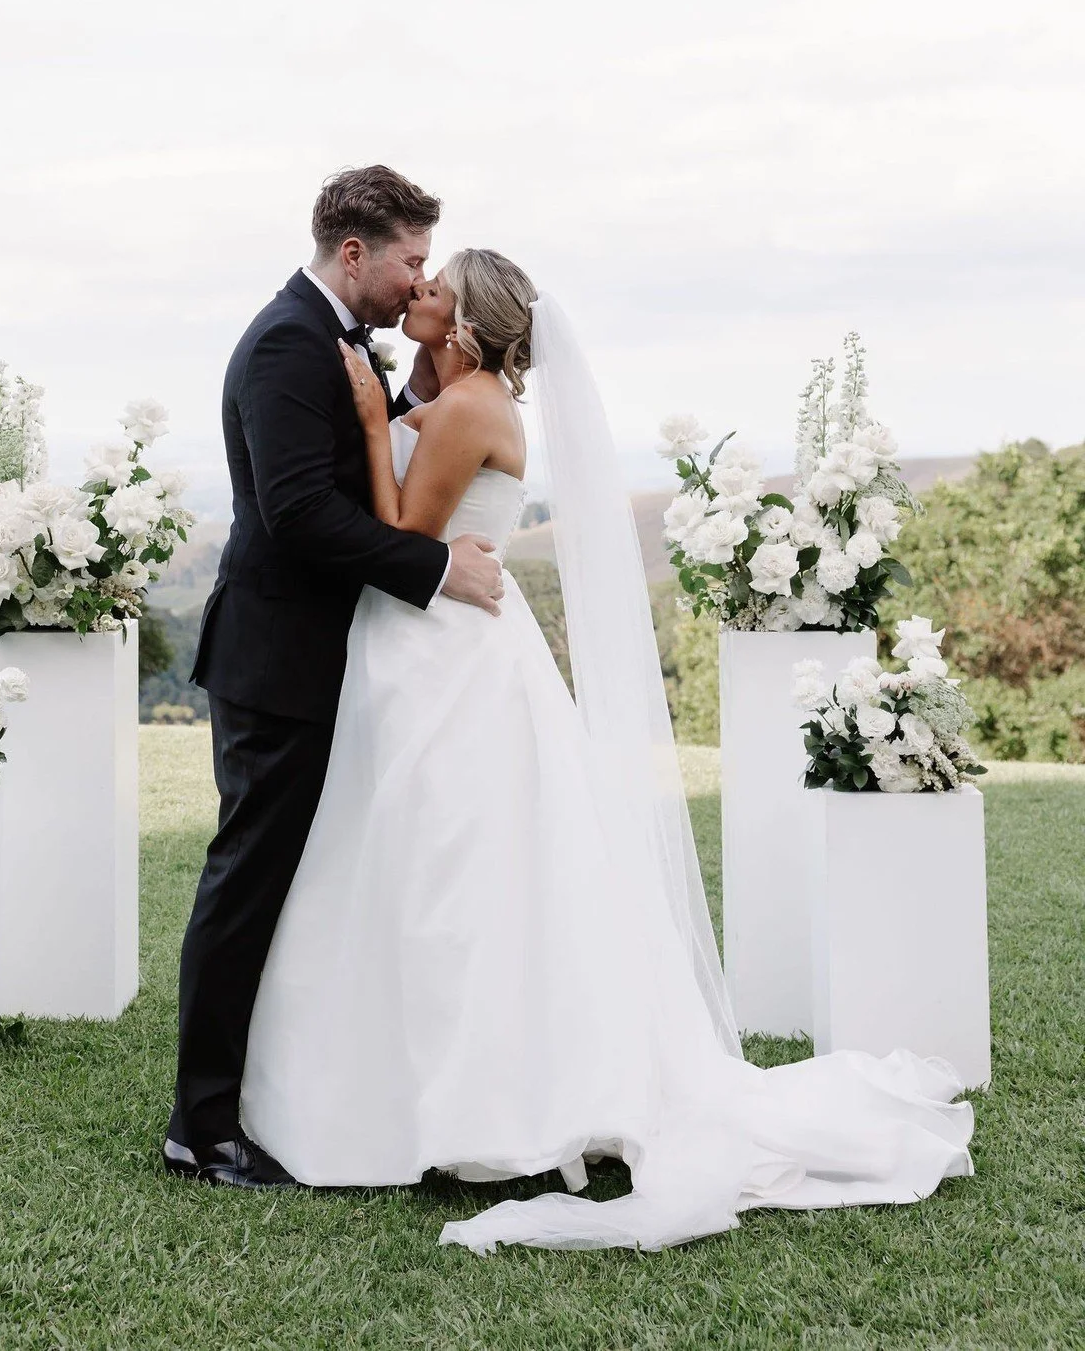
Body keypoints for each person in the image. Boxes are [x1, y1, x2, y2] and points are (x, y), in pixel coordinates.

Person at [238, 248, 975, 1252]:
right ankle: (402, 1085)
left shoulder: (473, 408)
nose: (418, 291)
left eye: (435, 287)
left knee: (455, 877)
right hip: (417, 652)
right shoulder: (460, 392)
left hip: (447, 660)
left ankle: (471, 1107)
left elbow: (401, 526)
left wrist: (373, 424)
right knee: (414, 869)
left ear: (467, 324)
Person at [165, 167, 505, 1188]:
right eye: (408, 260)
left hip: (330, 659)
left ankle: (285, 1092)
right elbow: (300, 513)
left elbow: (374, 473)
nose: (416, 283)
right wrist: (440, 569)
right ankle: (201, 1127)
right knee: (247, 883)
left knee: (304, 886)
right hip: (277, 661)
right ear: (352, 253)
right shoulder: (286, 343)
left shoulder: (340, 340)